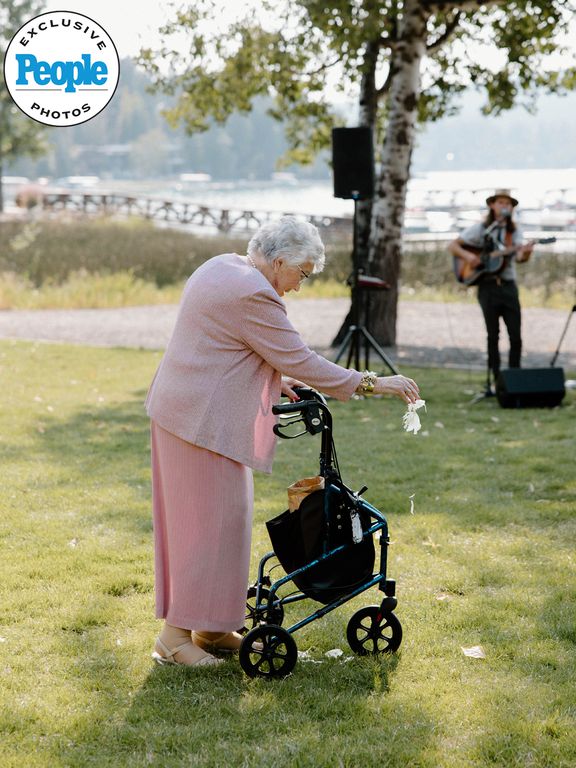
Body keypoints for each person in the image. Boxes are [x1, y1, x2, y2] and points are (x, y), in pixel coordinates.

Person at [145, 216, 420, 667]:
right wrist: (377, 383)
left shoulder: (224, 266)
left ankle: (213, 627)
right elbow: (304, 359)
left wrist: (276, 378)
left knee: (227, 520)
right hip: (196, 423)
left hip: (188, 413)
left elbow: (229, 346)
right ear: (278, 262)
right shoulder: (253, 293)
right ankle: (174, 640)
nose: (299, 285)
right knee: (205, 526)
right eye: (302, 273)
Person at [448, 189, 533, 389]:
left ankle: (515, 380)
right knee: (492, 335)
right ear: (493, 205)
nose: (505, 206)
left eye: (508, 203)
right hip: (486, 288)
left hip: (508, 287)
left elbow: (520, 258)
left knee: (515, 335)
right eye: (501, 202)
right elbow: (453, 246)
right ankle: (496, 382)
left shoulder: (515, 232)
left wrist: (527, 253)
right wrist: (470, 257)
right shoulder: (481, 229)